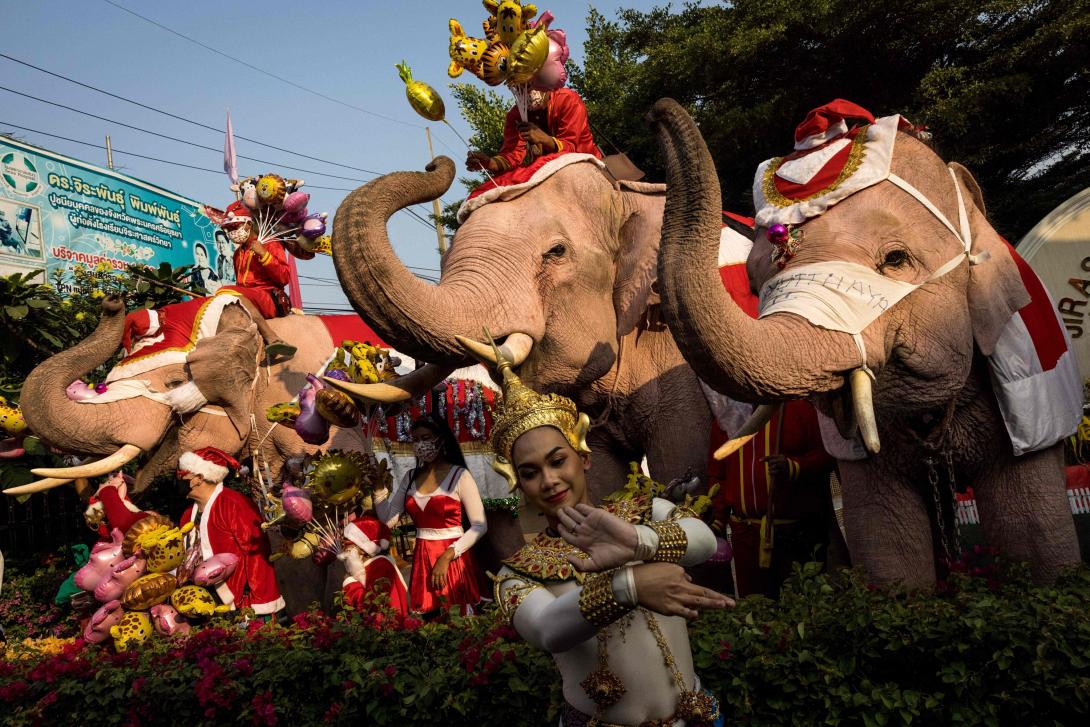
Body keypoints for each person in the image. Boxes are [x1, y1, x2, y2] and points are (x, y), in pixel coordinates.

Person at [488, 344, 732, 727]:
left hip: (694, 716)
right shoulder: (517, 575)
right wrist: (630, 585)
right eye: (531, 472)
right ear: (518, 484)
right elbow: (549, 630)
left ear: (583, 457)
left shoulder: (642, 509)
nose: (549, 480)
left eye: (557, 461)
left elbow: (704, 541)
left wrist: (638, 541)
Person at [706, 401, 836, 599]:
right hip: (747, 538)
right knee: (757, 613)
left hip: (797, 535)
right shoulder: (726, 419)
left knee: (806, 606)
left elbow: (826, 455)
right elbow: (718, 476)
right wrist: (717, 519)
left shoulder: (800, 409)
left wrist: (793, 466)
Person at [374, 414, 487, 615]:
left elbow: (479, 526)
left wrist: (447, 556)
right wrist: (378, 488)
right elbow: (388, 520)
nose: (420, 445)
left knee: (458, 617)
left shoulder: (459, 475)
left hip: (453, 558)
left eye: (425, 438)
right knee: (430, 623)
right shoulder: (410, 477)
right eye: (415, 440)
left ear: (441, 439)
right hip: (423, 560)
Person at [178, 447, 285, 617]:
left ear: (198, 478)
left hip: (240, 600)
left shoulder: (234, 504)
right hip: (203, 602)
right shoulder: (186, 516)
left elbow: (256, 551)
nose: (179, 478)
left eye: (181, 474)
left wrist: (256, 602)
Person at [213, 201, 296, 359]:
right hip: (250, 299)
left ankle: (272, 337)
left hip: (270, 297)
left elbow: (284, 277)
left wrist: (264, 255)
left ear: (248, 224)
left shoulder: (270, 244)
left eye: (235, 227)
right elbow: (240, 286)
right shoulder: (238, 254)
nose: (232, 232)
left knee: (223, 291)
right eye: (228, 229)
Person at [466, 87, 602, 173]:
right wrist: (489, 163)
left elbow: (572, 148)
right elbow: (512, 156)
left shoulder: (568, 100)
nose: (528, 91)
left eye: (531, 83)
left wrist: (544, 139)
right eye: (520, 86)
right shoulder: (516, 115)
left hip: (588, 167)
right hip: (548, 176)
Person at [338, 511, 409, 617]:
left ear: (362, 548)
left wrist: (350, 584)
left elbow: (373, 604)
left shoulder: (380, 565)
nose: (343, 548)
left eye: (348, 544)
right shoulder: (364, 566)